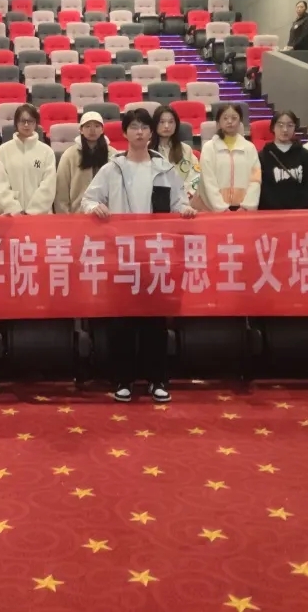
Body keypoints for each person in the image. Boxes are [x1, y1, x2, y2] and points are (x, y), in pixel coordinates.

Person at [82, 108, 196, 404]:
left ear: (151, 132)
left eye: (145, 127)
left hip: (155, 254)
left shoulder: (164, 169)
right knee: (121, 321)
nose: (140, 132)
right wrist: (94, 207)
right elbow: (88, 199)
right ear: (124, 132)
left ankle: (157, 379)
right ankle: (123, 379)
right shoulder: (112, 168)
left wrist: (184, 210)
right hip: (121, 253)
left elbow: (178, 202)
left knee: (154, 321)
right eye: (134, 127)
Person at [0, 104, 57, 215]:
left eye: (30, 121)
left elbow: (48, 186)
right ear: (16, 123)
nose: (26, 125)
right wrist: (15, 210)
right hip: (11, 216)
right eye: (22, 121)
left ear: (36, 123)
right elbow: (0, 185)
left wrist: (32, 212)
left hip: (40, 216)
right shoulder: (3, 151)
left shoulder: (47, 152)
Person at [194, 103, 261, 212]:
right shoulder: (209, 148)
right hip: (214, 210)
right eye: (225, 118)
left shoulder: (250, 148)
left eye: (234, 118)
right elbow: (208, 181)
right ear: (218, 123)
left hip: (243, 210)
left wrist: (247, 206)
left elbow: (255, 179)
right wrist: (221, 208)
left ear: (240, 122)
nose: (230, 121)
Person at [54, 111, 115, 214]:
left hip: (107, 213)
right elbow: (61, 191)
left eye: (97, 126)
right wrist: (65, 217)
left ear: (102, 130)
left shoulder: (113, 155)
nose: (92, 130)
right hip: (78, 214)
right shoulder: (69, 155)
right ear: (81, 130)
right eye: (87, 126)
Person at [257, 110, 308, 211]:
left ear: (295, 128)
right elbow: (263, 190)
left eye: (290, 125)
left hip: (300, 214)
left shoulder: (305, 155)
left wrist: (298, 212)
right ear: (273, 127)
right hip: (271, 214)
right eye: (280, 125)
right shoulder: (263, 156)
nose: (285, 129)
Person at [149, 104, 200, 198]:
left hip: (183, 199)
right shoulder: (145, 150)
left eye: (171, 122)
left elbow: (196, 175)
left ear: (176, 125)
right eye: (162, 122)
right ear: (154, 124)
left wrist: (183, 194)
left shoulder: (186, 149)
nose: (166, 126)